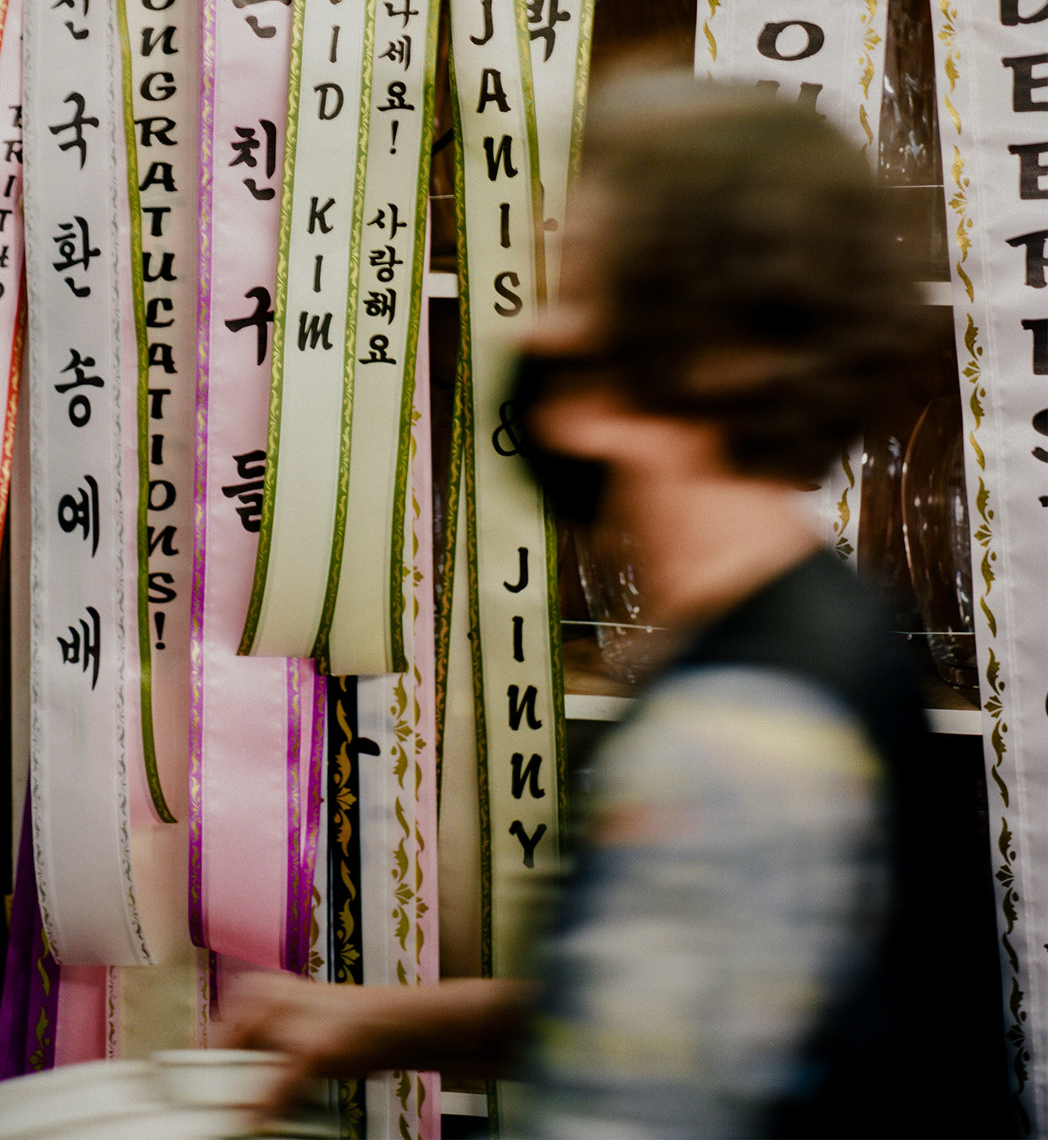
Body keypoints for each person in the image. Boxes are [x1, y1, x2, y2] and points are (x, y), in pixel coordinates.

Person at [224, 74, 1014, 1137]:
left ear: (715, 357)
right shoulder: (791, 631)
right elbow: (676, 995)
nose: (541, 340)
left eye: (580, 293)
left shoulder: (739, 735)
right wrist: (370, 1025)